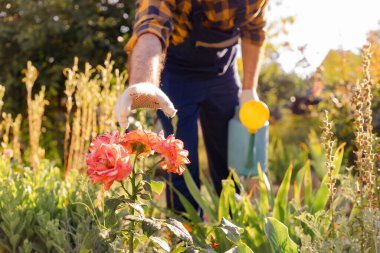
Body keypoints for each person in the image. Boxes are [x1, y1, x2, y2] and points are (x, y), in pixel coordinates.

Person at [115, 0, 268, 213]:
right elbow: (150, 24)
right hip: (178, 74)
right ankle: (185, 233)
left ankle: (232, 230)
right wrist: (143, 82)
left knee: (228, 162)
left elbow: (254, 31)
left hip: (222, 72)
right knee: (180, 161)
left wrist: (249, 89)